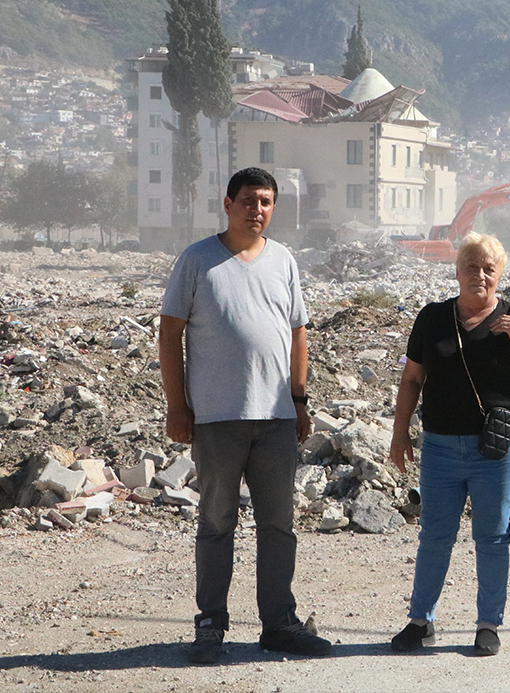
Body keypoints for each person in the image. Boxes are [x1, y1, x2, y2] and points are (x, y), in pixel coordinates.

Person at [159, 167, 331, 664]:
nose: (258, 210)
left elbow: (298, 333)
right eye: (250, 200)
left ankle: (279, 624)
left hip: (276, 417)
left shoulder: (284, 261)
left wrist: (299, 402)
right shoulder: (197, 260)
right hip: (217, 418)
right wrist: (177, 404)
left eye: (267, 202)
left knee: (279, 525)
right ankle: (210, 626)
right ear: (228, 204)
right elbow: (170, 334)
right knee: (216, 523)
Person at [389, 233, 510, 656]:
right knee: (434, 535)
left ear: (499, 275)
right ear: (457, 270)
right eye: (471, 266)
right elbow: (411, 378)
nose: (479, 275)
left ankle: (487, 625)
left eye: (488, 268)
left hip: (498, 450)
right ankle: (420, 620)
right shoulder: (431, 318)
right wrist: (399, 432)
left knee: (492, 536)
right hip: (441, 447)